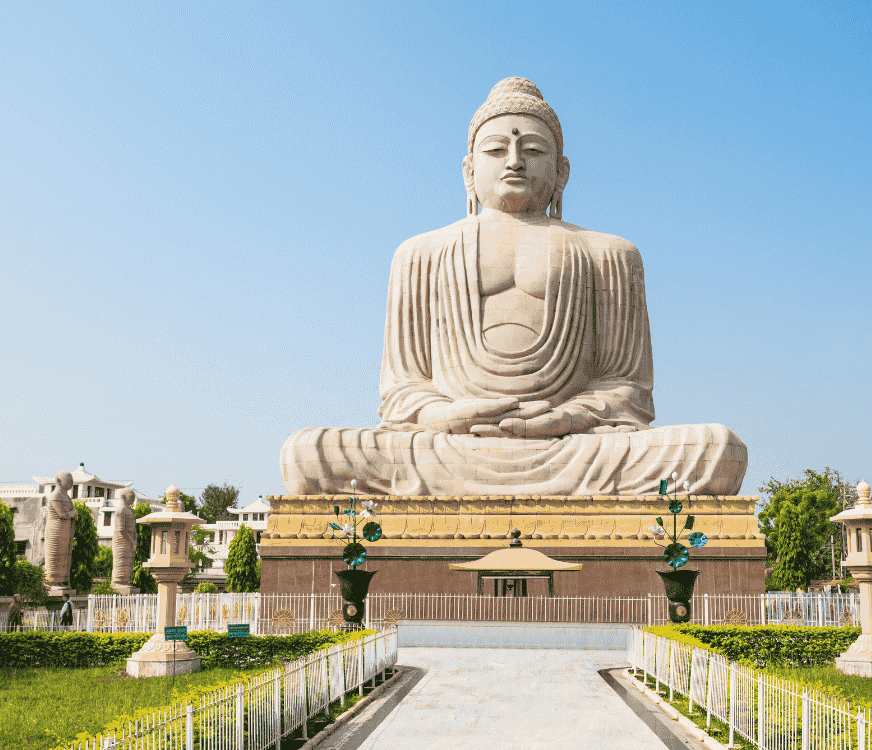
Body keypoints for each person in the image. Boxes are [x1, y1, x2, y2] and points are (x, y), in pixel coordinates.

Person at [280, 78, 747, 497]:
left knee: (717, 450)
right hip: (451, 446)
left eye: (534, 151)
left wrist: (566, 418)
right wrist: (448, 416)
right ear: (468, 170)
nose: (515, 161)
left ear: (562, 171)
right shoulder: (419, 254)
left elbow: (628, 389)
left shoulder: (610, 254)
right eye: (496, 149)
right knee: (306, 453)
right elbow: (402, 392)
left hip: (574, 447)